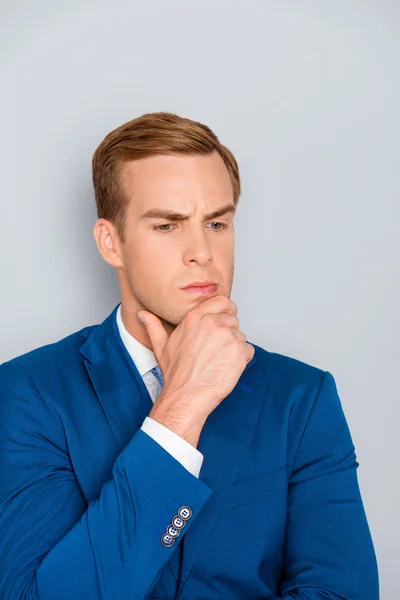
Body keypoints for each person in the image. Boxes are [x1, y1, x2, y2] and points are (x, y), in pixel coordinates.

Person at [0, 111, 379, 599]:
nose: (202, 251)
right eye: (167, 225)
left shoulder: (302, 399)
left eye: (217, 222)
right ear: (110, 242)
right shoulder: (26, 393)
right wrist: (181, 408)